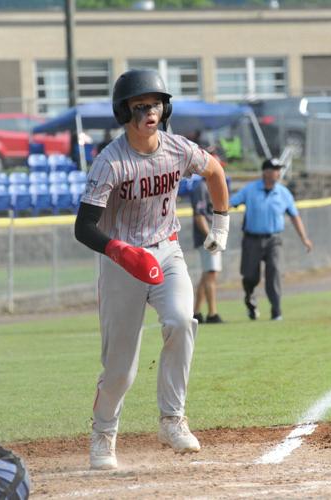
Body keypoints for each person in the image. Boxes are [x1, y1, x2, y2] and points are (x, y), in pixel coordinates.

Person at [73, 69, 229, 471]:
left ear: (165, 107)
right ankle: (103, 436)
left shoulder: (177, 149)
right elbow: (84, 227)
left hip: (167, 251)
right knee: (120, 369)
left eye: (155, 103)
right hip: (122, 261)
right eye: (140, 106)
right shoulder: (110, 162)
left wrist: (221, 224)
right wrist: (119, 251)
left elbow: (215, 172)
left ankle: (172, 420)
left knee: (181, 321)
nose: (149, 112)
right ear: (124, 112)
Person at [230, 158, 313, 321]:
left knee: (274, 271)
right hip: (252, 239)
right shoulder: (250, 190)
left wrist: (305, 238)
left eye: (278, 169)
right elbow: (231, 202)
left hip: (273, 240)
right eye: (275, 169)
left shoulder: (283, 193)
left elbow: (295, 217)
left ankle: (276, 310)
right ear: (266, 172)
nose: (278, 173)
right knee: (250, 276)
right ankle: (250, 296)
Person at [191, 177, 224, 324]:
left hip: (212, 235)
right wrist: (210, 238)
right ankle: (212, 313)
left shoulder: (212, 185)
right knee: (211, 273)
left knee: (208, 274)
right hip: (207, 237)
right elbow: (199, 216)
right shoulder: (202, 186)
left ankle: (196, 312)